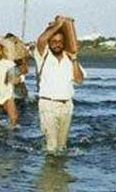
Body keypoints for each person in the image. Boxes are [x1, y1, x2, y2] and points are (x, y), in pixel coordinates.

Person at [34, 16, 86, 154]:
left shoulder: (69, 59)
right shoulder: (42, 56)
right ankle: (50, 167)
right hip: (48, 104)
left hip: (67, 106)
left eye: (60, 42)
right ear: (49, 43)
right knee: (52, 146)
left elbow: (79, 80)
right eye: (54, 41)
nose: (57, 44)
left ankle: (61, 168)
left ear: (64, 43)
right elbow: (41, 40)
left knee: (62, 146)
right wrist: (59, 24)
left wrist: (74, 60)